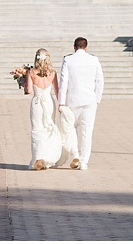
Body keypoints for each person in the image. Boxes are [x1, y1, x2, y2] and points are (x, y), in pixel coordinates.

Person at [58, 37, 104, 171]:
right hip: (89, 100)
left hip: (73, 99)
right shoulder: (94, 59)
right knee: (87, 131)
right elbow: (100, 80)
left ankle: (75, 155)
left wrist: (61, 102)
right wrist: (97, 98)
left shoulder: (68, 59)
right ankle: (84, 161)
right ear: (86, 47)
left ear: (74, 47)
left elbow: (63, 82)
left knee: (71, 127)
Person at [25, 48, 63, 171]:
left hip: (37, 103)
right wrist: (60, 104)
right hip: (48, 103)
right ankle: (46, 158)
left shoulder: (31, 72)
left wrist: (23, 84)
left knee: (37, 129)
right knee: (48, 129)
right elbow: (57, 91)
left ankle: (38, 158)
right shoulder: (52, 73)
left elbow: (29, 90)